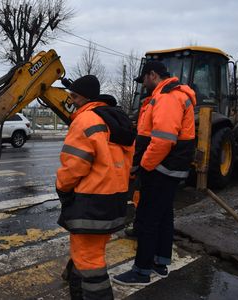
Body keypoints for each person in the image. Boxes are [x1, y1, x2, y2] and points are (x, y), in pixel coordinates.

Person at [112, 61, 196, 286]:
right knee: (164, 215)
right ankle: (160, 263)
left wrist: (144, 165)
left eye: (145, 79)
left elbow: (163, 141)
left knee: (148, 218)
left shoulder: (167, 97)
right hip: (168, 168)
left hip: (160, 168)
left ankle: (141, 271)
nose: (144, 84)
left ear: (152, 75)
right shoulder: (170, 95)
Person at [56, 75, 135, 299]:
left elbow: (73, 167)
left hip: (90, 201)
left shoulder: (85, 120)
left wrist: (62, 189)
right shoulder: (118, 120)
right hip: (114, 199)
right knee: (92, 254)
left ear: (85, 97)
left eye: (74, 96)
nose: (71, 100)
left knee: (90, 263)